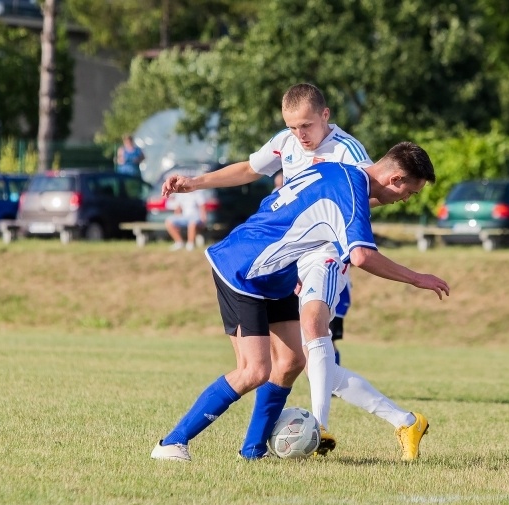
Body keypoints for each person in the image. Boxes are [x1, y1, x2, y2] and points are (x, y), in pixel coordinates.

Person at [161, 84, 431, 460]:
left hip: (314, 250)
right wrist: (197, 182)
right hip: (257, 261)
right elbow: (251, 170)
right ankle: (174, 443)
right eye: (292, 127)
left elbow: (353, 210)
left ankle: (256, 451)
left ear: (325, 116)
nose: (299, 135)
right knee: (258, 368)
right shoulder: (293, 145)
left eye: (305, 125)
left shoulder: (349, 157)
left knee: (294, 357)